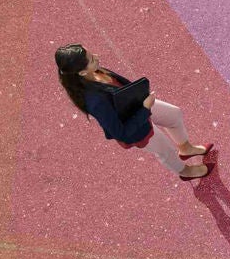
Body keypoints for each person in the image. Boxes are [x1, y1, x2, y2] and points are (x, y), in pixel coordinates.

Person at [54, 43, 211, 180]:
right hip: (136, 124)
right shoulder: (95, 102)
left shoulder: (93, 72)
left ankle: (185, 148)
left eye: (92, 54)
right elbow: (120, 133)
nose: (97, 57)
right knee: (165, 150)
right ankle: (185, 171)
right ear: (81, 72)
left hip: (138, 105)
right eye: (92, 59)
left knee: (174, 115)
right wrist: (145, 108)